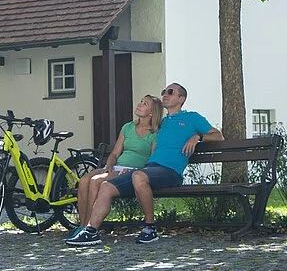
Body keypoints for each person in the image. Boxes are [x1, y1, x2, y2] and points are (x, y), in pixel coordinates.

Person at [65, 81, 221, 248]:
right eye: (164, 91)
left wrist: (197, 137)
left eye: (170, 92)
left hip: (171, 171)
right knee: (106, 186)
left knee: (138, 175)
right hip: (150, 170)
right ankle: (90, 231)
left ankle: (150, 228)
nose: (165, 95)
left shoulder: (192, 118)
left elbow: (218, 136)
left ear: (181, 99)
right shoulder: (162, 124)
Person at [75, 93, 163, 227]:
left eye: (145, 104)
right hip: (116, 168)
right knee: (84, 181)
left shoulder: (154, 134)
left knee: (95, 181)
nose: (139, 104)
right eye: (140, 101)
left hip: (133, 171)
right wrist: (109, 167)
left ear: (152, 112)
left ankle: (89, 227)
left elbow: (152, 160)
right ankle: (82, 226)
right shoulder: (128, 127)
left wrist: (137, 172)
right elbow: (115, 154)